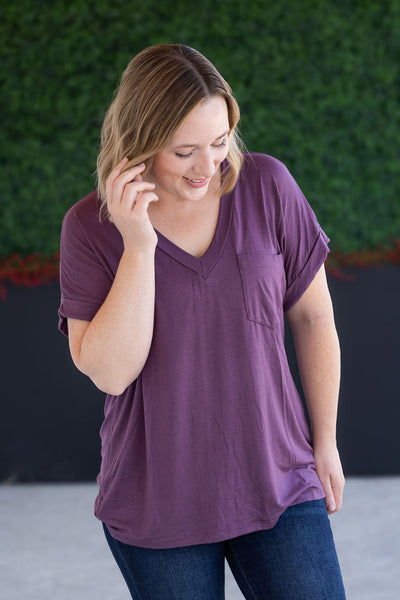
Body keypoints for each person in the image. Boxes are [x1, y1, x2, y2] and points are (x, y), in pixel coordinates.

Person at [58, 44, 346, 599]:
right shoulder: (90, 228)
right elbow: (112, 374)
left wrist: (326, 440)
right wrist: (138, 245)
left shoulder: (267, 185)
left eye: (219, 141)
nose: (208, 166)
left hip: (279, 478)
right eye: (184, 151)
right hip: (158, 501)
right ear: (139, 142)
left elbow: (313, 317)